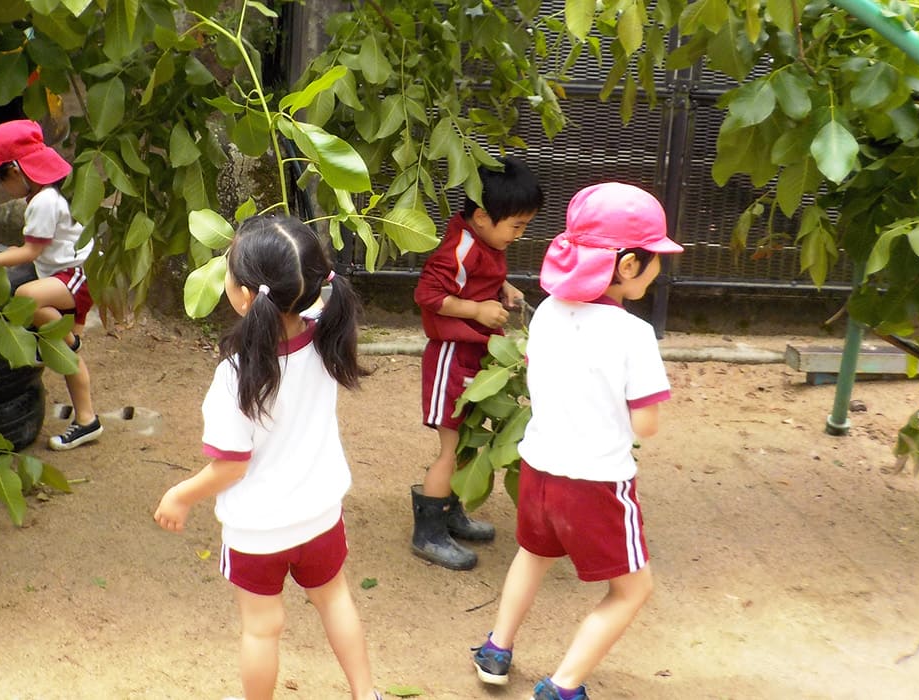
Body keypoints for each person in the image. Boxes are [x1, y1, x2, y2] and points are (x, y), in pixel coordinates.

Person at [470, 182, 684, 700]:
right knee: (633, 589)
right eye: (655, 258)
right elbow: (647, 425)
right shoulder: (633, 335)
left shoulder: (546, 311)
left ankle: (497, 649)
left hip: (540, 471)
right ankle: (563, 686)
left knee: (532, 553)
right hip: (597, 484)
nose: (659, 268)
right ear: (628, 266)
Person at [153, 215, 380, 700]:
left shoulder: (235, 376)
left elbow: (231, 465)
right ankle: (367, 694)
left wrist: (180, 494)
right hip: (320, 516)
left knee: (261, 629)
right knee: (335, 600)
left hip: (258, 531)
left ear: (241, 295)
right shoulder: (327, 338)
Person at [412, 155, 545, 570]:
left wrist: (501, 286)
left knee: (469, 440)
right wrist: (476, 311)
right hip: (452, 358)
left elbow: (479, 276)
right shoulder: (461, 247)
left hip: (476, 356)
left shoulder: (485, 240)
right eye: (517, 226)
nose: (520, 235)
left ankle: (451, 515)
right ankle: (428, 533)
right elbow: (427, 294)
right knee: (451, 448)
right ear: (484, 217)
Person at [0, 119, 102, 450]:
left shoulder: (44, 202)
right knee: (61, 347)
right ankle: (87, 419)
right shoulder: (46, 193)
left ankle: (67, 342)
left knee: (26, 296)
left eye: (0, 177)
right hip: (66, 273)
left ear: (16, 171)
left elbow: (31, 251)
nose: (2, 187)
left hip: (77, 275)